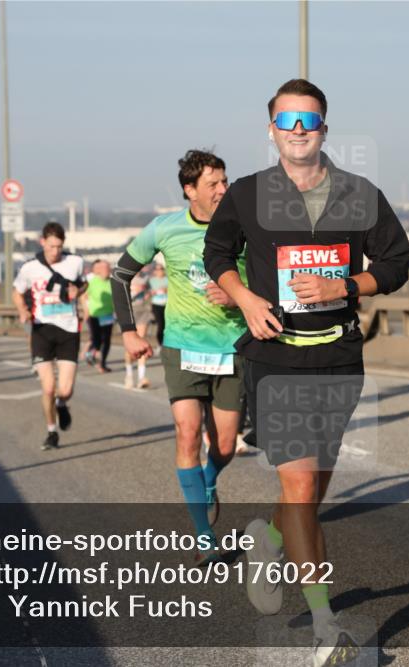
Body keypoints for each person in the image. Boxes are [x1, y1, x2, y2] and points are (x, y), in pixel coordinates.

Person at [204, 80, 409, 666]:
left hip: (340, 356)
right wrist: (244, 298)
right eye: (287, 120)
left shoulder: (358, 193)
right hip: (277, 358)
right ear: (271, 129)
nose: (299, 130)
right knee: (298, 487)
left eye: (309, 119)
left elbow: (396, 262)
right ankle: (327, 627)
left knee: (312, 491)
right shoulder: (246, 195)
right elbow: (216, 255)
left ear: (324, 126)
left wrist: (345, 286)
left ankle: (265, 540)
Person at [113, 149, 249, 566]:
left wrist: (237, 292)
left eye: (225, 181)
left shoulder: (248, 228)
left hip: (233, 348)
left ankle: (207, 481)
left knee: (224, 445)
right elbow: (121, 275)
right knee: (188, 433)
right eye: (213, 184)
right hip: (182, 347)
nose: (223, 190)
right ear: (190, 190)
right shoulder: (164, 229)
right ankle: (205, 539)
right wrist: (130, 333)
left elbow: (272, 278)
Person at [12, 222, 87, 451]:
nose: (55, 252)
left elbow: (83, 284)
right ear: (42, 242)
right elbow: (17, 292)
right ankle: (51, 432)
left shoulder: (75, 262)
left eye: (59, 247)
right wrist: (23, 311)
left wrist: (78, 291)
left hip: (68, 330)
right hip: (41, 330)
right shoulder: (30, 268)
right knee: (47, 387)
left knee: (65, 390)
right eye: (51, 246)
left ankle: (62, 404)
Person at [81, 259, 115, 373]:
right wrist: (86, 310)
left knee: (107, 340)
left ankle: (102, 363)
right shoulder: (92, 282)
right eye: (106, 268)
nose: (109, 270)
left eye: (109, 268)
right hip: (94, 315)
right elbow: (83, 296)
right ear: (99, 271)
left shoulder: (112, 281)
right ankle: (90, 353)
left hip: (108, 315)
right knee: (96, 340)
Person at [123, 271, 152, 388]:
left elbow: (149, 291)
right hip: (130, 311)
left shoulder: (146, 278)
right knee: (131, 343)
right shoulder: (126, 276)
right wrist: (134, 291)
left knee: (142, 342)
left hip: (143, 311)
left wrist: (146, 294)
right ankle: (129, 375)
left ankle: (141, 378)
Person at [149, 263, 168, 351]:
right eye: (157, 269)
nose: (159, 271)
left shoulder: (168, 279)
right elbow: (147, 293)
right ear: (155, 271)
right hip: (156, 305)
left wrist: (166, 290)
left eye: (161, 269)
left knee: (167, 326)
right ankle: (160, 345)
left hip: (167, 305)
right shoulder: (151, 281)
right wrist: (151, 292)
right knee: (160, 325)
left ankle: (167, 344)